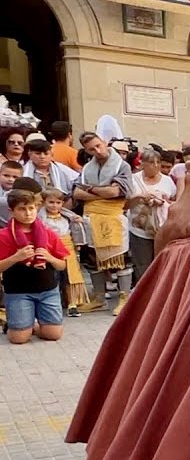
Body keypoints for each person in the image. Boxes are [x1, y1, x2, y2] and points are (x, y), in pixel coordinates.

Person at [0, 183, 70, 343]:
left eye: (31, 208)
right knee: (18, 339)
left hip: (47, 290)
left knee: (53, 335)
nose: (28, 213)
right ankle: (18, 325)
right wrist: (16, 258)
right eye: (22, 209)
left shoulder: (48, 233)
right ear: (12, 211)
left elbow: (62, 265)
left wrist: (49, 258)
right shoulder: (4, 236)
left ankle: (31, 324)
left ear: (37, 208)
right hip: (18, 291)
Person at [76, 132, 134, 316]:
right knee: (93, 259)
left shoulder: (121, 165)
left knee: (121, 260)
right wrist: (104, 192)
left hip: (113, 217)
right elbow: (77, 193)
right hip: (91, 217)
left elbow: (117, 191)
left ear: (104, 142)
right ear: (87, 151)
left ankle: (124, 297)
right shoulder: (87, 169)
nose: (97, 151)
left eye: (98, 145)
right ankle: (99, 298)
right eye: (92, 149)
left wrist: (91, 190)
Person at [127, 147, 177, 281]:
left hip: (160, 228)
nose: (155, 166)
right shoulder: (133, 180)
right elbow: (124, 205)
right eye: (150, 163)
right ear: (142, 164)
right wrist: (139, 198)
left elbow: (173, 201)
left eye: (157, 162)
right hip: (139, 228)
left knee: (161, 262)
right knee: (142, 265)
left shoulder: (167, 181)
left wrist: (164, 201)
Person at [37, 189, 89, 315]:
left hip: (67, 247)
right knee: (53, 275)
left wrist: (77, 243)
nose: (55, 205)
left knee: (71, 275)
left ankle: (72, 303)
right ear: (44, 203)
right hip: (50, 248)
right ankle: (53, 301)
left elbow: (74, 230)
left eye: (58, 202)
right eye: (51, 202)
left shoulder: (67, 216)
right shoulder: (40, 218)